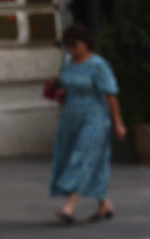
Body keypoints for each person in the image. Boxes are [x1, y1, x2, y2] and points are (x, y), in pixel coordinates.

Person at [50, 23, 127, 224]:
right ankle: (104, 204)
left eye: (74, 45)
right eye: (67, 46)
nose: (70, 50)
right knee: (90, 161)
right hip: (70, 118)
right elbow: (65, 86)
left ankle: (70, 206)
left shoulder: (98, 65)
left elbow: (111, 94)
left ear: (85, 44)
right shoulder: (67, 63)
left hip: (95, 119)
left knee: (82, 157)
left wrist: (118, 123)